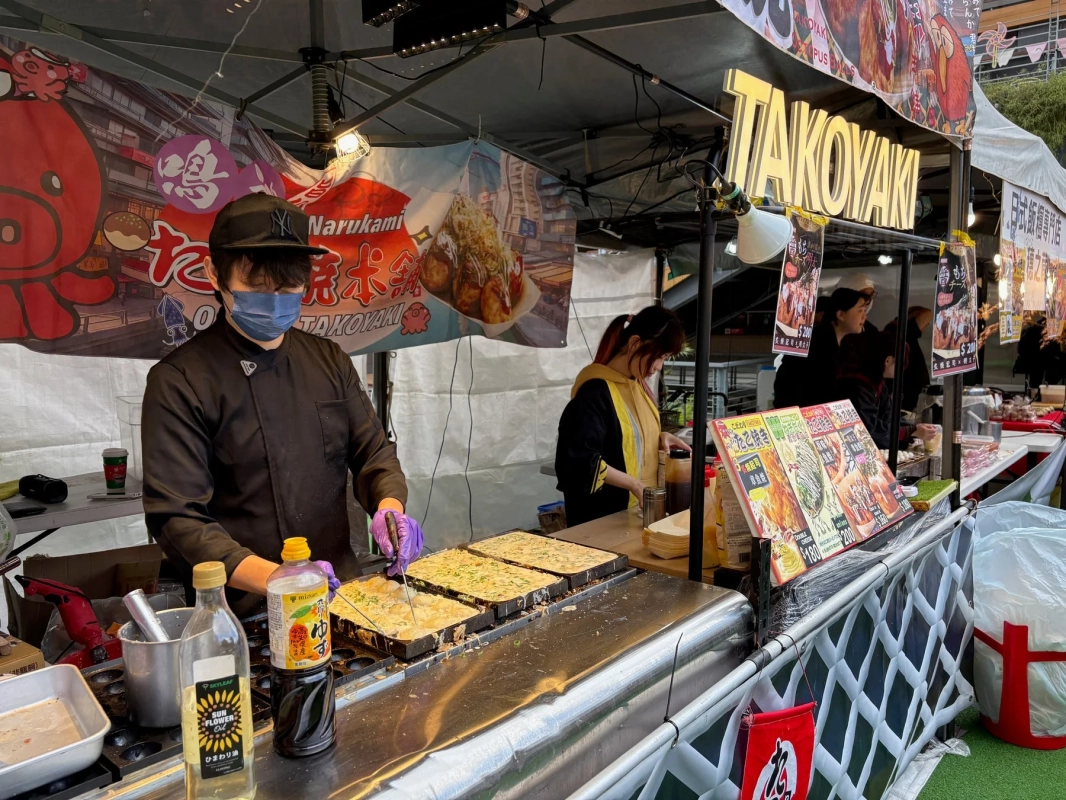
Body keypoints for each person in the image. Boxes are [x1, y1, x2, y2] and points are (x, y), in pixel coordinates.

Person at [142, 194, 423, 616]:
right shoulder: (180, 380)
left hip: (339, 596)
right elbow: (178, 517)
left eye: (288, 286)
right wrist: (277, 578)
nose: (274, 298)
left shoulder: (329, 360)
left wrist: (389, 507)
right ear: (213, 273)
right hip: (242, 611)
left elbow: (374, 454)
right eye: (257, 286)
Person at [555, 306, 688, 526]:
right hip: (601, 522)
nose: (658, 367)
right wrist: (635, 485)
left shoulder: (638, 386)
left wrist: (660, 436)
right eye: (659, 357)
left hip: (635, 517)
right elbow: (578, 461)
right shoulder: (593, 394)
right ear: (635, 343)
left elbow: (625, 437)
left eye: (664, 358)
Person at [836, 330, 937, 449]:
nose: (901, 370)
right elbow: (870, 428)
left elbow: (888, 418)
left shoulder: (878, 384)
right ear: (888, 361)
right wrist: (910, 431)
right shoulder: (857, 385)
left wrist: (915, 428)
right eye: (899, 365)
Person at [773, 288, 869, 408]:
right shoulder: (813, 342)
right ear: (840, 315)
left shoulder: (848, 344)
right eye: (860, 311)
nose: (864, 316)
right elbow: (788, 381)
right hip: (803, 413)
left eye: (865, 311)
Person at [883, 306, 932, 412]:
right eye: (925, 324)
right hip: (904, 400)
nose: (924, 328)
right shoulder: (902, 331)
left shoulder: (907, 335)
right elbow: (928, 314)